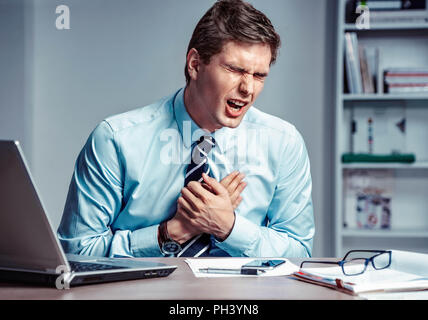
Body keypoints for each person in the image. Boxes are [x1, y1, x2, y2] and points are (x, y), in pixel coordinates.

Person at [57, 0, 315, 258]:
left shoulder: (283, 143)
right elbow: (77, 251)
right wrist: (174, 230)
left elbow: (299, 251)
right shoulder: (115, 140)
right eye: (235, 69)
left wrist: (228, 227)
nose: (248, 88)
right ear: (194, 64)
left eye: (259, 75)